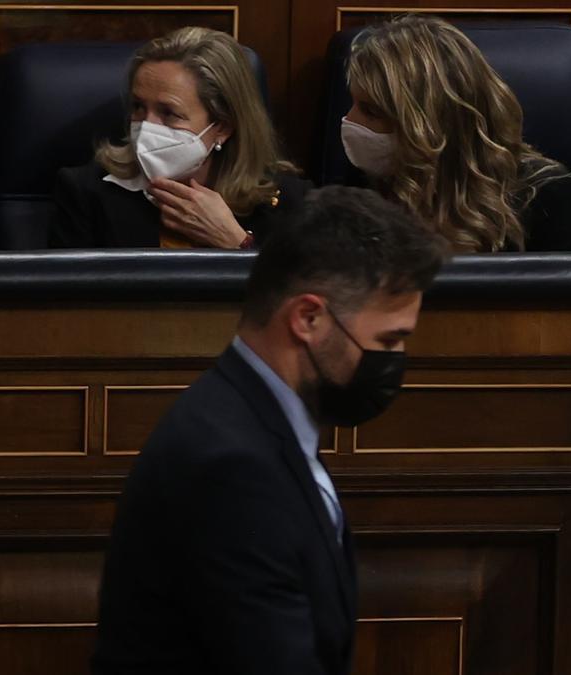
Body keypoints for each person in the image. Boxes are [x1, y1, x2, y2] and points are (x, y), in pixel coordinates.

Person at [92, 185, 448, 675]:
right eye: (387, 340)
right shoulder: (233, 467)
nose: (394, 363)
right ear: (308, 318)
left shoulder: (255, 423)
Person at [341, 14, 571, 252]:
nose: (350, 121)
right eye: (352, 104)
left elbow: (555, 293)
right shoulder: (363, 183)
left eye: (371, 112)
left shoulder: (549, 198)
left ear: (431, 126)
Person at [52, 27, 310, 250]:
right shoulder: (87, 193)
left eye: (168, 113)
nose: (146, 126)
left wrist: (238, 244)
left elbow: (304, 298)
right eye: (138, 107)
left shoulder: (288, 201)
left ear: (222, 126)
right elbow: (67, 301)